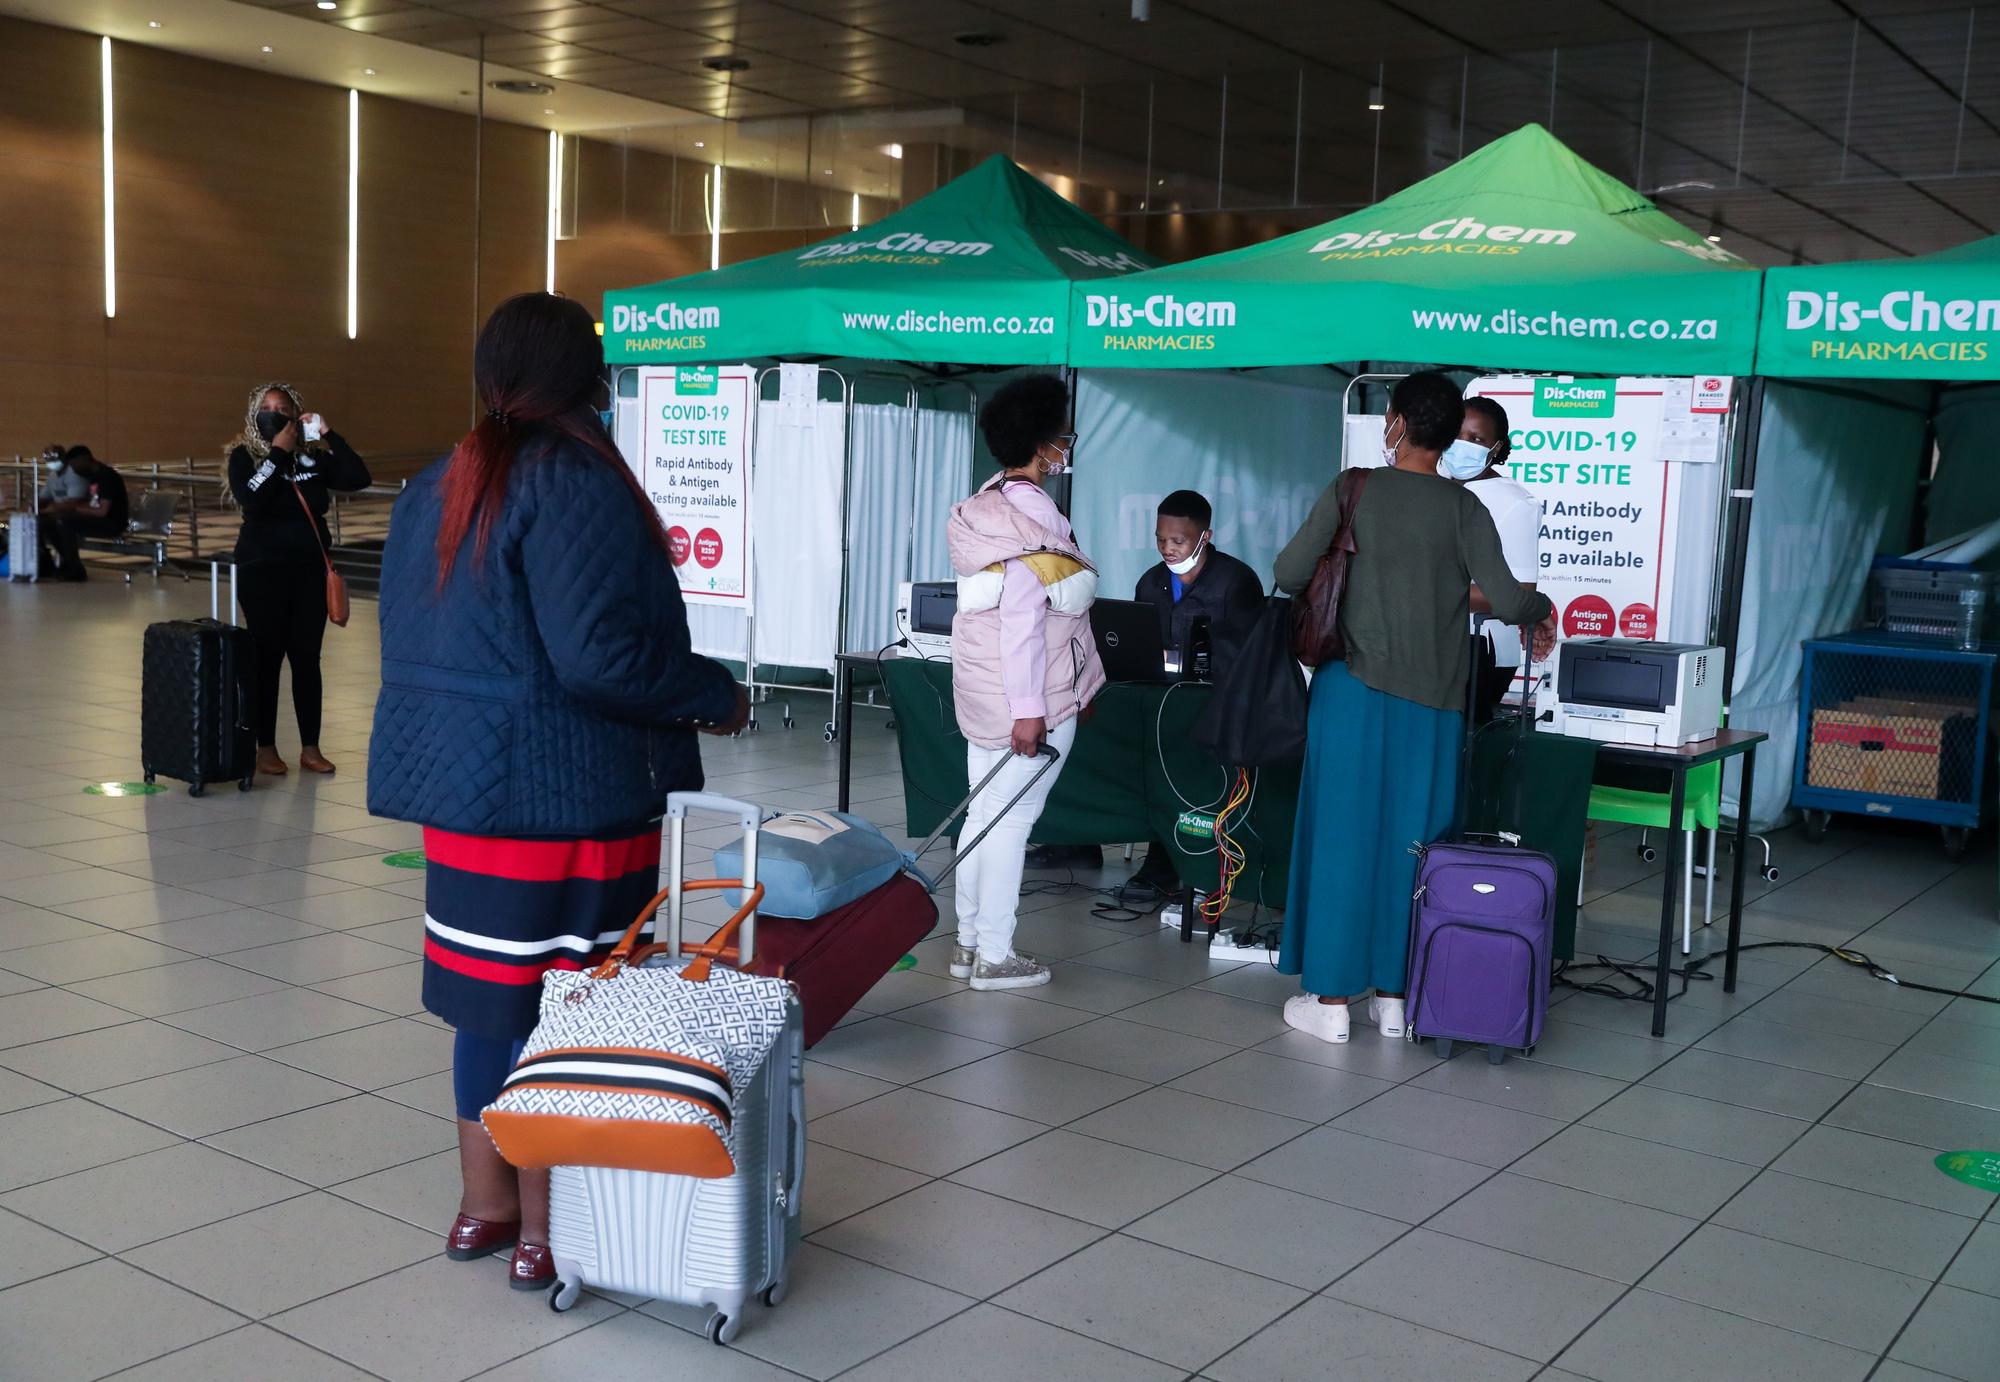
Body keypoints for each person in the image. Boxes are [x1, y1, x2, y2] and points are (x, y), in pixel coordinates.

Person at [367, 292, 748, 1293]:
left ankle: (481, 1208)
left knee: (487, 1009)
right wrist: (712, 692)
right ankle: (548, 1225)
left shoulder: (438, 481)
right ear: (585, 377)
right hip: (567, 796)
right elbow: (598, 661)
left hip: (462, 798)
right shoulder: (574, 478)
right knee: (575, 1007)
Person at [1273, 371, 1555, 1045]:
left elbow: (1287, 574)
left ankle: (1332, 1003)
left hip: (1352, 695)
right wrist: (1541, 611)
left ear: (1393, 422)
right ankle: (1397, 999)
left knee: (1344, 840)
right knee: (1416, 848)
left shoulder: (1353, 490)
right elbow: (1513, 600)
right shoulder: (1465, 510)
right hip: (1434, 705)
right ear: (1451, 430)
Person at [946, 374, 1107, 990]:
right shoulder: (1037, 521)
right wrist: (1031, 709)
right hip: (1027, 699)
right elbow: (1023, 620)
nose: (1066, 445)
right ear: (1044, 448)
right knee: (1010, 823)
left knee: (980, 816)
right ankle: (995, 954)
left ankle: (967, 945)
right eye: (1061, 436)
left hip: (981, 691)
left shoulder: (985, 506)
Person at [227, 383, 372, 776]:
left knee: (307, 659)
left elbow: (359, 476)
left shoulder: (314, 459)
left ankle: (311, 747)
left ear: (296, 413)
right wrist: (278, 453)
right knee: (267, 658)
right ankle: (266, 747)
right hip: (262, 571)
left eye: (283, 407)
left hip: (309, 571)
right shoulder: (245, 456)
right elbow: (251, 499)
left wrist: (328, 434)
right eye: (267, 407)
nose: (274, 413)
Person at [1129, 488, 1263, 888]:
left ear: (1205, 537)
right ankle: (1155, 856)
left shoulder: (1235, 582)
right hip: (1161, 706)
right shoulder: (1151, 583)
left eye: (1178, 541)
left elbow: (1247, 658)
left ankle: (1188, 862)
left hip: (1215, 709)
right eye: (1160, 539)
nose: (1167, 549)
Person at [1444, 397, 1541, 721]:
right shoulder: (1432, 487)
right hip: (1428, 640)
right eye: (1456, 435)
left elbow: (1519, 594)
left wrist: (1428, 590)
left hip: (1479, 647)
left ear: (1496, 448)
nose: (1463, 446)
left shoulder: (1514, 502)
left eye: (1476, 439)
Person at [39, 448, 128, 582]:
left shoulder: (106, 477)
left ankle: (75, 570)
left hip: (112, 522)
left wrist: (74, 508)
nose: (73, 469)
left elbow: (102, 511)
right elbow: (92, 505)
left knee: (65, 522)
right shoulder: (92, 476)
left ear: (85, 459)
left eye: (74, 465)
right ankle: (64, 563)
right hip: (97, 519)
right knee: (49, 522)